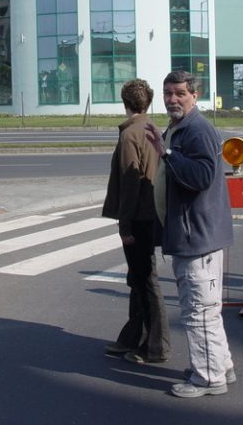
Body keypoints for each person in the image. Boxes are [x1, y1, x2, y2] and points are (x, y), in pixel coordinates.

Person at [144, 70, 235, 399]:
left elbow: (201, 177)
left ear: (195, 95)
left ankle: (208, 378)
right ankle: (220, 364)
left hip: (198, 237)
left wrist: (166, 153)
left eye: (180, 93)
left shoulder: (197, 130)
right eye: (168, 93)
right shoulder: (181, 128)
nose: (172, 99)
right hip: (194, 234)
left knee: (198, 310)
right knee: (207, 308)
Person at [101, 79, 171, 364]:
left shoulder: (130, 135)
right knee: (139, 278)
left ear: (124, 102)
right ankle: (132, 337)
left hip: (139, 218)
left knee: (145, 281)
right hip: (152, 214)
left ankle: (156, 346)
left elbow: (130, 184)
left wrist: (124, 226)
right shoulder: (152, 129)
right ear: (149, 103)